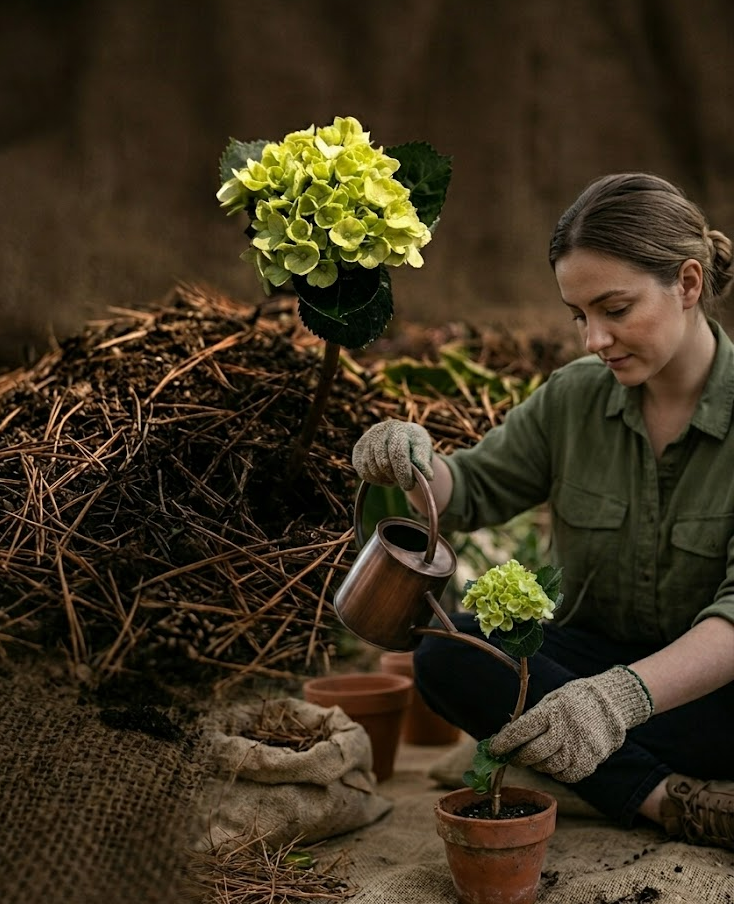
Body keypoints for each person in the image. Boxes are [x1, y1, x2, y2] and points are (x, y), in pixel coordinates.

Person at [351, 172, 734, 852]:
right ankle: (667, 802)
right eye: (578, 314)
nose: (594, 339)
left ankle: (587, 764)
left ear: (689, 283)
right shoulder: (574, 398)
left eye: (615, 309)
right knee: (446, 655)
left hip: (707, 689)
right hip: (584, 668)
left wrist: (619, 701)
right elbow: (467, 491)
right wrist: (413, 462)